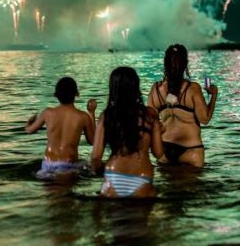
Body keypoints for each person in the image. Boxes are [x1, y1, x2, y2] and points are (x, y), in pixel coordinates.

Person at [91, 66, 164, 198]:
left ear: (113, 88)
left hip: (114, 175)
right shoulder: (149, 115)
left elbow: (95, 157)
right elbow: (158, 153)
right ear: (136, 87)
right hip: (142, 176)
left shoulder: (106, 116)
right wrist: (158, 130)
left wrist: (98, 171)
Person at [147, 44, 218, 167]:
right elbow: (204, 119)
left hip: (164, 149)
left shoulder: (156, 90)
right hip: (191, 149)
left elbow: (150, 123)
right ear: (185, 64)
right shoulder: (192, 89)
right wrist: (214, 95)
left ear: (165, 64)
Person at [25, 76, 97, 178]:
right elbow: (93, 141)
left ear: (55, 95)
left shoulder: (47, 113)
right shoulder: (82, 116)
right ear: (77, 94)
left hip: (47, 164)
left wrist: (29, 123)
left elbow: (29, 130)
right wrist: (91, 113)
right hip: (67, 165)